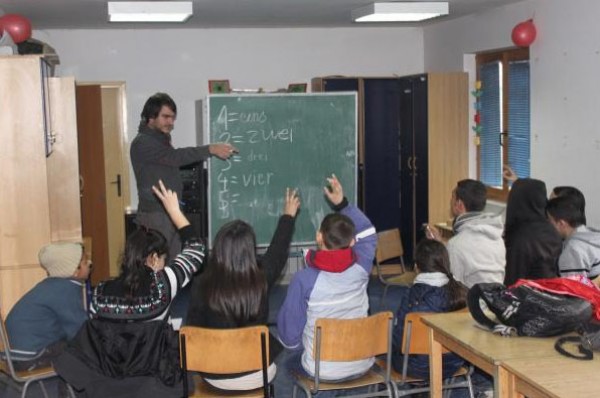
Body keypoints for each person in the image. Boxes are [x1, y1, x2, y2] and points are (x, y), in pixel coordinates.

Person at [185, 187, 300, 391]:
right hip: (257, 373)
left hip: (214, 374)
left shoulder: (202, 284)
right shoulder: (261, 278)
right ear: (250, 250)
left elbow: (192, 332)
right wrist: (288, 215)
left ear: (218, 249)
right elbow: (278, 251)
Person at [277, 174, 377, 381]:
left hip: (322, 370)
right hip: (362, 362)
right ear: (351, 243)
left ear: (319, 237)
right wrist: (343, 204)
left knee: (288, 360)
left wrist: (301, 345)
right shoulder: (362, 265)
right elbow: (368, 232)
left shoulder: (303, 279)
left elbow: (289, 338)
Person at [131, 92, 237, 259]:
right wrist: (210, 149)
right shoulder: (142, 142)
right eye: (166, 117)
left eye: (173, 118)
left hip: (168, 213)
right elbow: (176, 157)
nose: (171, 122)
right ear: (151, 117)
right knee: (156, 266)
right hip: (155, 216)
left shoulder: (160, 139)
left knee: (175, 265)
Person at [90, 179, 205, 322]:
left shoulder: (99, 294)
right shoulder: (162, 287)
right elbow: (196, 250)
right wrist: (175, 212)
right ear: (154, 258)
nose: (165, 264)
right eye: (164, 259)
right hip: (154, 345)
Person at [5, 242, 91, 371]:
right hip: (31, 358)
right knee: (79, 350)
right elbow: (79, 328)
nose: (90, 263)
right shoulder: (65, 289)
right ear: (74, 271)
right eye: (85, 262)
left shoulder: (51, 285)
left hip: (13, 356)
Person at [391, 239, 467, 379]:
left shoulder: (412, 295)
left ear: (416, 267)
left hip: (415, 367)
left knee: (385, 350)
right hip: (453, 363)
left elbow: (399, 339)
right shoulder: (461, 292)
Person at [426, 179, 505, 288]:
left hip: (471, 303)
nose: (450, 201)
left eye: (452, 197)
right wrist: (441, 242)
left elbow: (453, 287)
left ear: (459, 204)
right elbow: (473, 249)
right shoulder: (496, 237)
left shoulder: (456, 245)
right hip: (496, 299)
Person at [503, 178, 562, 286]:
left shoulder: (521, 237)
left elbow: (512, 282)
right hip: (548, 291)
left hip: (529, 296)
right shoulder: (551, 229)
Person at [546, 194, 600, 280]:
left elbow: (572, 289)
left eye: (549, 220)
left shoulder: (573, 250)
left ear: (561, 223)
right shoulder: (593, 234)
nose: (548, 224)